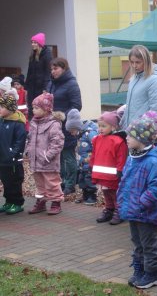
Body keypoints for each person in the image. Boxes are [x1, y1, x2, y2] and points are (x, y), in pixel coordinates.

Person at [117, 111, 157, 289]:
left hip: (145, 212)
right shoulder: (132, 157)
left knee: (148, 244)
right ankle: (140, 269)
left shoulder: (151, 161)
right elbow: (125, 181)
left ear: (142, 138)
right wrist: (123, 200)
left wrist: (141, 203)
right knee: (137, 243)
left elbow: (156, 187)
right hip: (133, 210)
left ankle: (153, 274)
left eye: (131, 135)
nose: (127, 138)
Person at [46, 57, 82, 196]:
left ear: (64, 68)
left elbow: (77, 106)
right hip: (52, 126)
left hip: (67, 127)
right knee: (57, 156)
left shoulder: (72, 84)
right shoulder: (51, 83)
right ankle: (59, 182)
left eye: (55, 68)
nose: (53, 71)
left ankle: (70, 184)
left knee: (68, 156)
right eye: (51, 69)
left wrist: (61, 115)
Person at [25, 92, 65, 215]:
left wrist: (48, 155)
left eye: (37, 108)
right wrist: (27, 151)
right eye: (33, 108)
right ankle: (41, 201)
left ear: (46, 109)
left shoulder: (53, 124)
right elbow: (30, 138)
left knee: (52, 183)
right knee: (39, 184)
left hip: (49, 162)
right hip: (36, 161)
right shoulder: (33, 123)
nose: (33, 110)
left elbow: (57, 143)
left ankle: (56, 202)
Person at [90, 111, 128, 225]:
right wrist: (91, 166)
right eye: (99, 126)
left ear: (113, 126)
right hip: (101, 173)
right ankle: (109, 209)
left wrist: (120, 170)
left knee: (115, 193)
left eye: (104, 126)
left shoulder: (118, 141)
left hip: (113, 174)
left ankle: (119, 210)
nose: (101, 128)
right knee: (106, 192)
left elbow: (122, 157)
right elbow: (94, 154)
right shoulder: (97, 139)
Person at [120, 45, 157, 130]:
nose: (134, 65)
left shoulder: (154, 80)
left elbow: (156, 109)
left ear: (146, 61)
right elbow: (130, 105)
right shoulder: (133, 78)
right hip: (130, 129)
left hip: (143, 132)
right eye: (132, 62)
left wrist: (147, 131)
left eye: (138, 62)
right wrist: (122, 123)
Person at [65, 109, 99, 205]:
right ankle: (85, 195)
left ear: (77, 127)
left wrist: (92, 157)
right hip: (82, 162)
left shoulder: (89, 133)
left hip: (89, 162)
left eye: (72, 131)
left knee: (89, 178)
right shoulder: (80, 135)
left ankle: (92, 196)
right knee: (82, 179)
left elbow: (97, 146)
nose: (71, 133)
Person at [0, 95, 27, 215]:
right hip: (2, 159)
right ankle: (8, 201)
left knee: (14, 182)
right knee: (6, 181)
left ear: (10, 108)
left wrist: (13, 153)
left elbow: (20, 141)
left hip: (13, 160)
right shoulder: (2, 121)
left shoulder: (18, 123)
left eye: (1, 106)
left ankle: (17, 203)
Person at [26, 32, 52, 119]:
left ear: (40, 43)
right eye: (32, 42)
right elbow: (29, 72)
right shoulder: (32, 55)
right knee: (31, 108)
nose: (32, 44)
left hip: (41, 88)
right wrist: (26, 87)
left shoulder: (47, 55)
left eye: (35, 42)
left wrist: (46, 88)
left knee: (40, 108)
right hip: (32, 87)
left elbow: (48, 73)